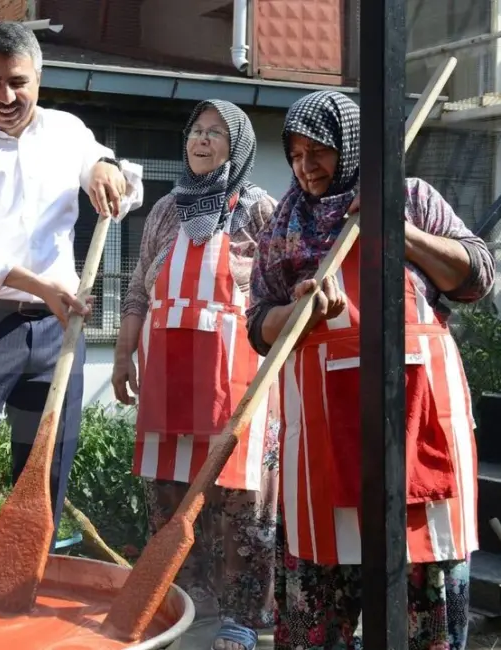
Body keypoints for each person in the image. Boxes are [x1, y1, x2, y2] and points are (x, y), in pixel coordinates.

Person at [246, 90, 491, 649]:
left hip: (416, 418)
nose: (306, 168)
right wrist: (299, 311)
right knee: (318, 597)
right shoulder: (283, 225)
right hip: (322, 432)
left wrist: (398, 232)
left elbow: (478, 276)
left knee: (421, 588)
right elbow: (258, 325)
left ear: (352, 148)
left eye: (320, 152)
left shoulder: (409, 196)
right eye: (295, 154)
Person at [0, 21, 143, 552]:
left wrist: (105, 169)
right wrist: (41, 286)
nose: (7, 96)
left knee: (44, 474)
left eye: (18, 81)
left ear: (38, 77)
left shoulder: (68, 133)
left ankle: (21, 594)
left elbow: (112, 178)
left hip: (56, 330)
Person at [113, 99, 280, 650]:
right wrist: (122, 355)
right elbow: (138, 288)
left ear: (239, 147)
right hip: (168, 375)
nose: (202, 141)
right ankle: (186, 603)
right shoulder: (165, 209)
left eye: (217, 134)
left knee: (239, 498)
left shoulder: (259, 209)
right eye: (196, 132)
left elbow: (283, 284)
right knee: (170, 492)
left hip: (236, 377)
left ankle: (242, 616)